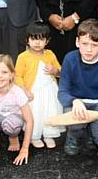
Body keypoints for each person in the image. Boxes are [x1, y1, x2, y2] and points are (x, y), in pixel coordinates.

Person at [57, 19, 98, 163]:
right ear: (77, 42)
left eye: (94, 45)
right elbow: (62, 92)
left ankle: (93, 132)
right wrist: (74, 101)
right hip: (75, 103)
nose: (89, 49)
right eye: (84, 44)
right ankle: (75, 134)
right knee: (77, 122)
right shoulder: (70, 59)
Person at [14, 21, 63, 149]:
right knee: (35, 112)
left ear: (47, 41)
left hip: (49, 89)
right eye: (33, 39)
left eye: (41, 40)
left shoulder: (50, 54)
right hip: (32, 91)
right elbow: (17, 75)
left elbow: (60, 70)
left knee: (49, 110)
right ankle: (34, 135)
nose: (37, 43)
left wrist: (55, 70)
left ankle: (49, 134)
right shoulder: (23, 57)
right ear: (27, 40)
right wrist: (24, 90)